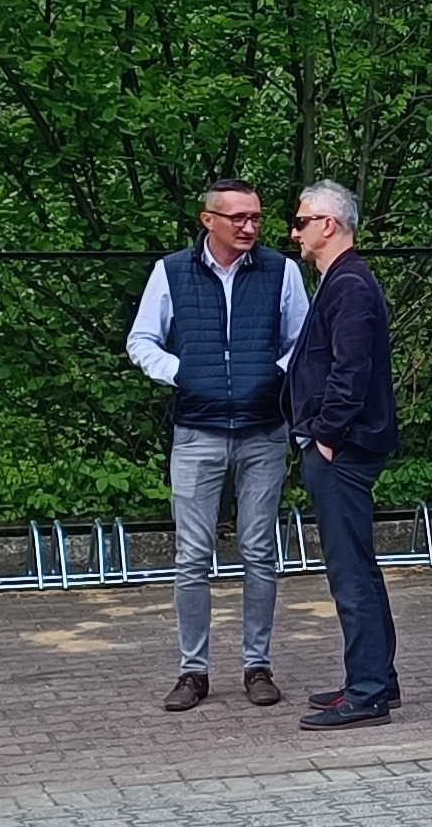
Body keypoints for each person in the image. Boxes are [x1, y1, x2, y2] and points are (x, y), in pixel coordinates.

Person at [126, 181, 311, 712]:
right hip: (197, 431)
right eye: (238, 218)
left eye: (256, 217)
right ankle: (193, 671)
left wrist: (270, 373)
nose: (250, 227)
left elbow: (302, 340)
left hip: (263, 430)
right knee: (191, 556)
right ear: (209, 220)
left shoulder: (281, 271)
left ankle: (258, 666)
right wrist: (184, 373)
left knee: (259, 550)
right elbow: (141, 340)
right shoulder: (171, 271)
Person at [282, 182, 400, 729]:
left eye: (302, 221)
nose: (295, 232)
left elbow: (350, 368)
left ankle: (368, 692)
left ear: (328, 225)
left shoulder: (348, 284)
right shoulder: (344, 280)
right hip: (344, 443)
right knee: (358, 567)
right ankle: (375, 679)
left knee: (350, 572)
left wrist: (326, 432)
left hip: (343, 448)